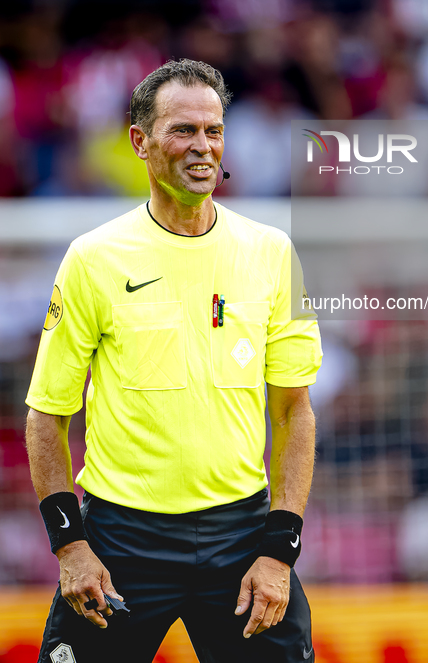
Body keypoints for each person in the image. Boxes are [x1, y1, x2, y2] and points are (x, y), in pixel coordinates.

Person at [25, 58, 322, 663]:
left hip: (242, 537)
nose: (202, 146)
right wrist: (70, 548)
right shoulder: (93, 259)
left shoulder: (272, 252)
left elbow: (294, 413)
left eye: (213, 130)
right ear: (141, 141)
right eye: (183, 130)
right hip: (120, 541)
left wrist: (280, 549)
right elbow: (46, 416)